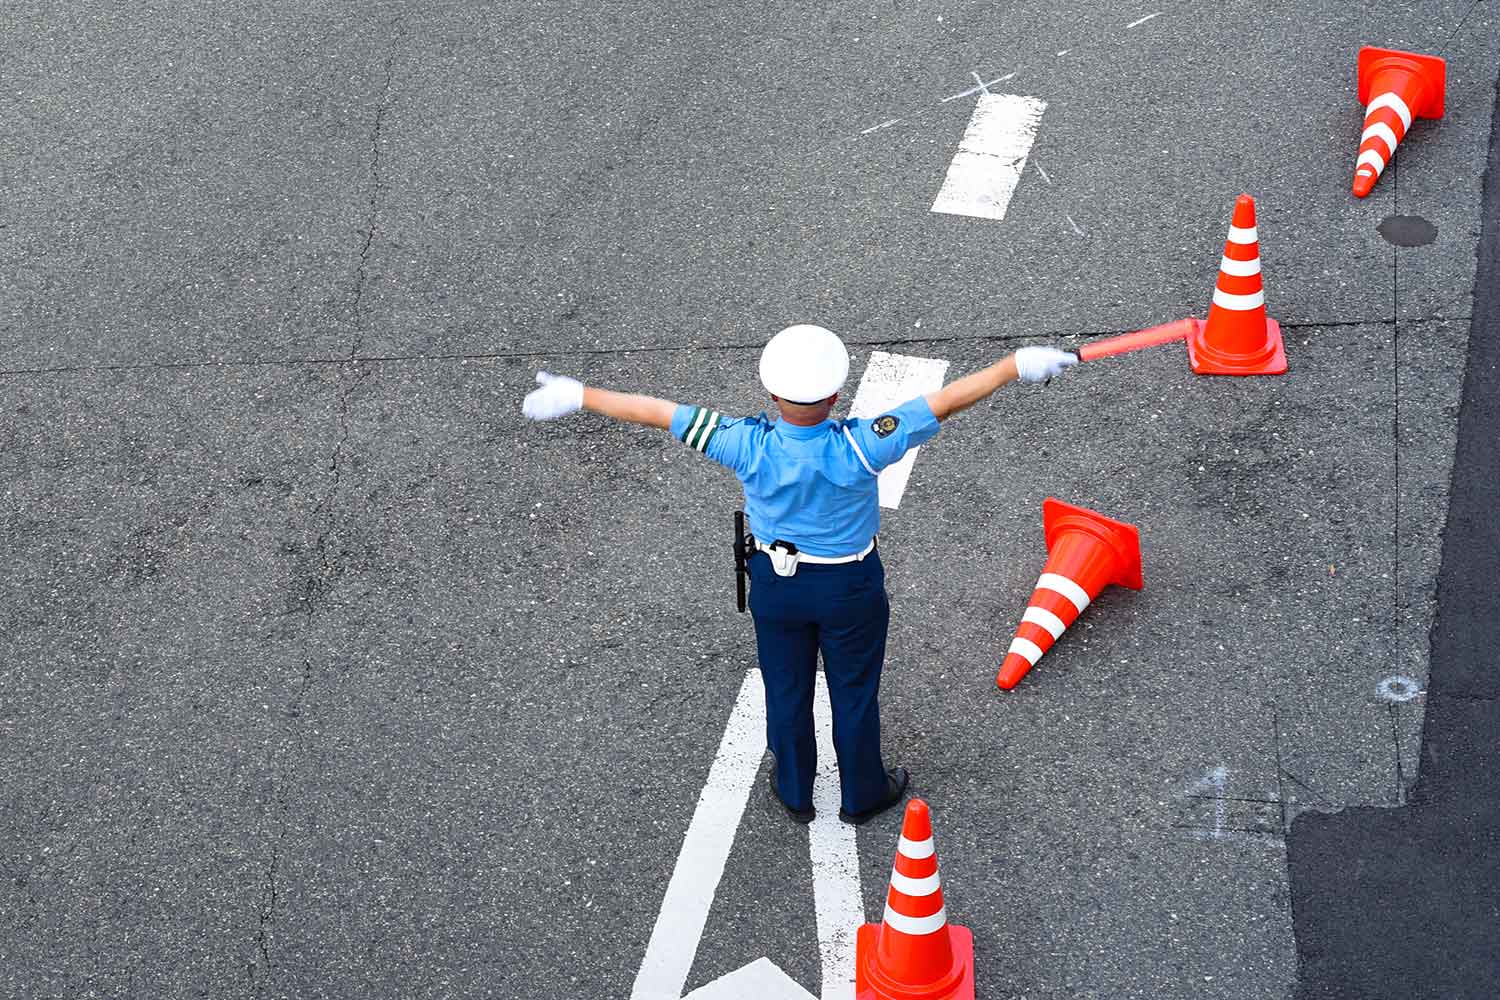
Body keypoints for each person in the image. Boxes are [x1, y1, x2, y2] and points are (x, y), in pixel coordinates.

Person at [522, 325, 1078, 824]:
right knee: (854, 692)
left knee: (785, 689)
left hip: (776, 585)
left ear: (772, 394)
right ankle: (863, 792)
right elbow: (946, 402)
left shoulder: (744, 443)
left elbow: (657, 411)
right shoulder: (864, 443)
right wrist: (1012, 366)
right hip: (849, 587)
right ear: (837, 396)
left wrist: (579, 396)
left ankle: (794, 789)